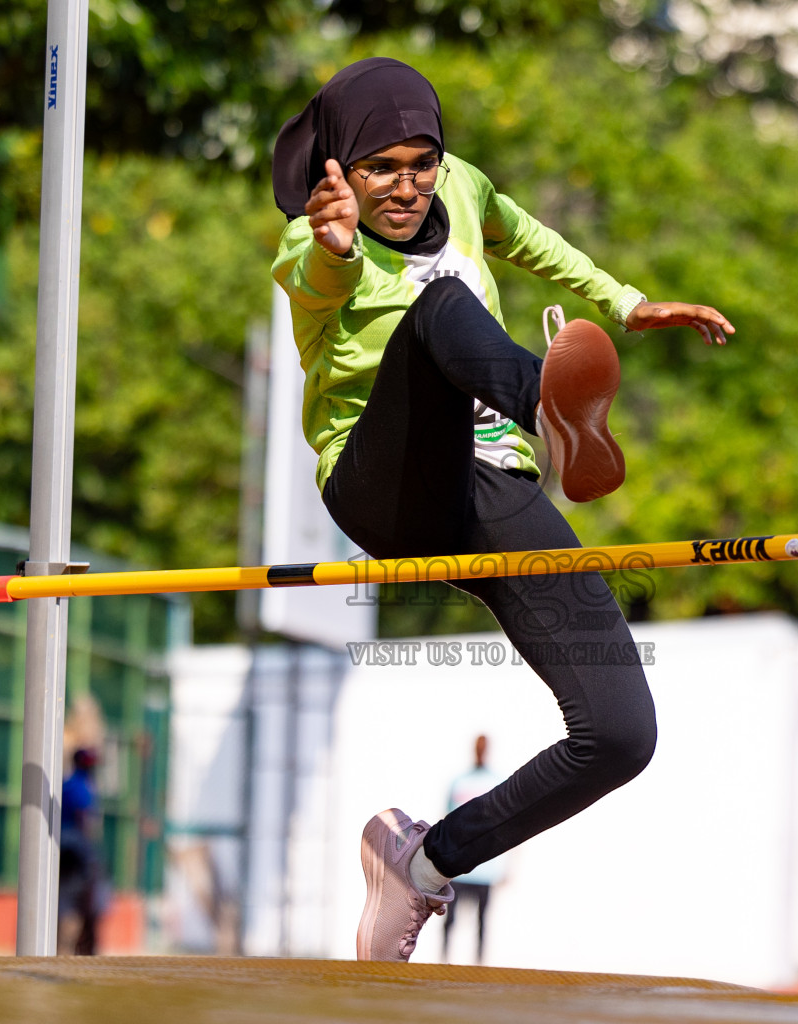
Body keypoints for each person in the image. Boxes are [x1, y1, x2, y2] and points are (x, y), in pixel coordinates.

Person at [271, 57, 734, 962]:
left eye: (421, 163)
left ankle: (424, 863)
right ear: (342, 173)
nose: (405, 188)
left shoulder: (468, 191)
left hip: (494, 487)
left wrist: (628, 306)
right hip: (386, 482)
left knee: (619, 732)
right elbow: (316, 280)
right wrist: (332, 245)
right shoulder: (314, 241)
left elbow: (535, 241)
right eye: (379, 170)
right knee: (441, 306)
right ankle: (550, 408)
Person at [442, 735, 506, 964]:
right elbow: (446, 821)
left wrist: (508, 867)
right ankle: (444, 961)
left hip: (485, 867)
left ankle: (478, 965)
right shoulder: (459, 782)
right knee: (450, 919)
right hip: (458, 866)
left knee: (482, 922)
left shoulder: (497, 783)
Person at [59, 747, 106, 955]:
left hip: (59, 847)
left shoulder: (65, 784)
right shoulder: (83, 787)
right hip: (75, 849)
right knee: (88, 898)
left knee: (62, 901)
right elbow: (84, 821)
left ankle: (62, 946)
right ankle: (81, 947)